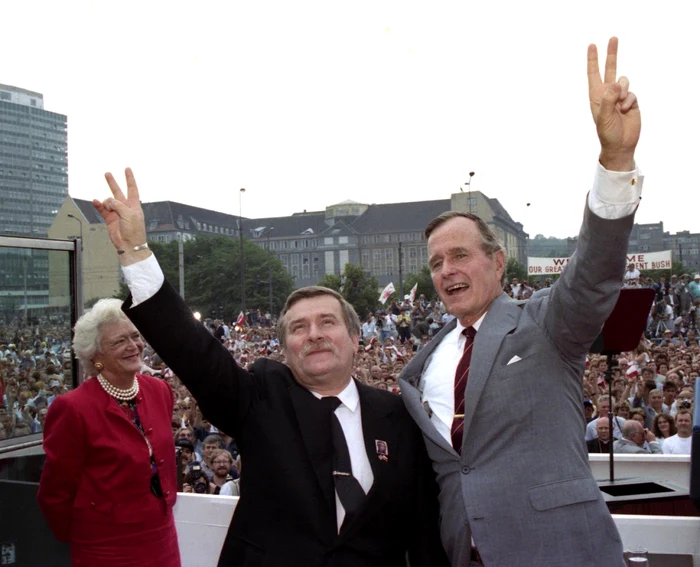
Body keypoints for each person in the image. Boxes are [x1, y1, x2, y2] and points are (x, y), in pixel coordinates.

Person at [92, 175, 448, 567]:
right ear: (285, 348)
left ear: (354, 336)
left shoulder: (397, 416)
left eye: (327, 322)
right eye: (299, 327)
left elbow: (423, 528)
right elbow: (193, 351)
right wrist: (136, 253)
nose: (314, 335)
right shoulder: (261, 398)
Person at [399, 37, 640, 566]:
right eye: (437, 263)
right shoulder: (421, 367)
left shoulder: (546, 325)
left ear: (498, 262)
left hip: (561, 551)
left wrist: (615, 160)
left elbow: (594, 274)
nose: (447, 271)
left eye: (460, 255)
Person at [37, 299, 180, 567]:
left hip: (162, 540)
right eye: (119, 342)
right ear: (96, 356)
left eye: (135, 336)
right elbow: (55, 493)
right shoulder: (73, 408)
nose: (133, 346)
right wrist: (87, 533)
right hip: (104, 548)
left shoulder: (159, 391)